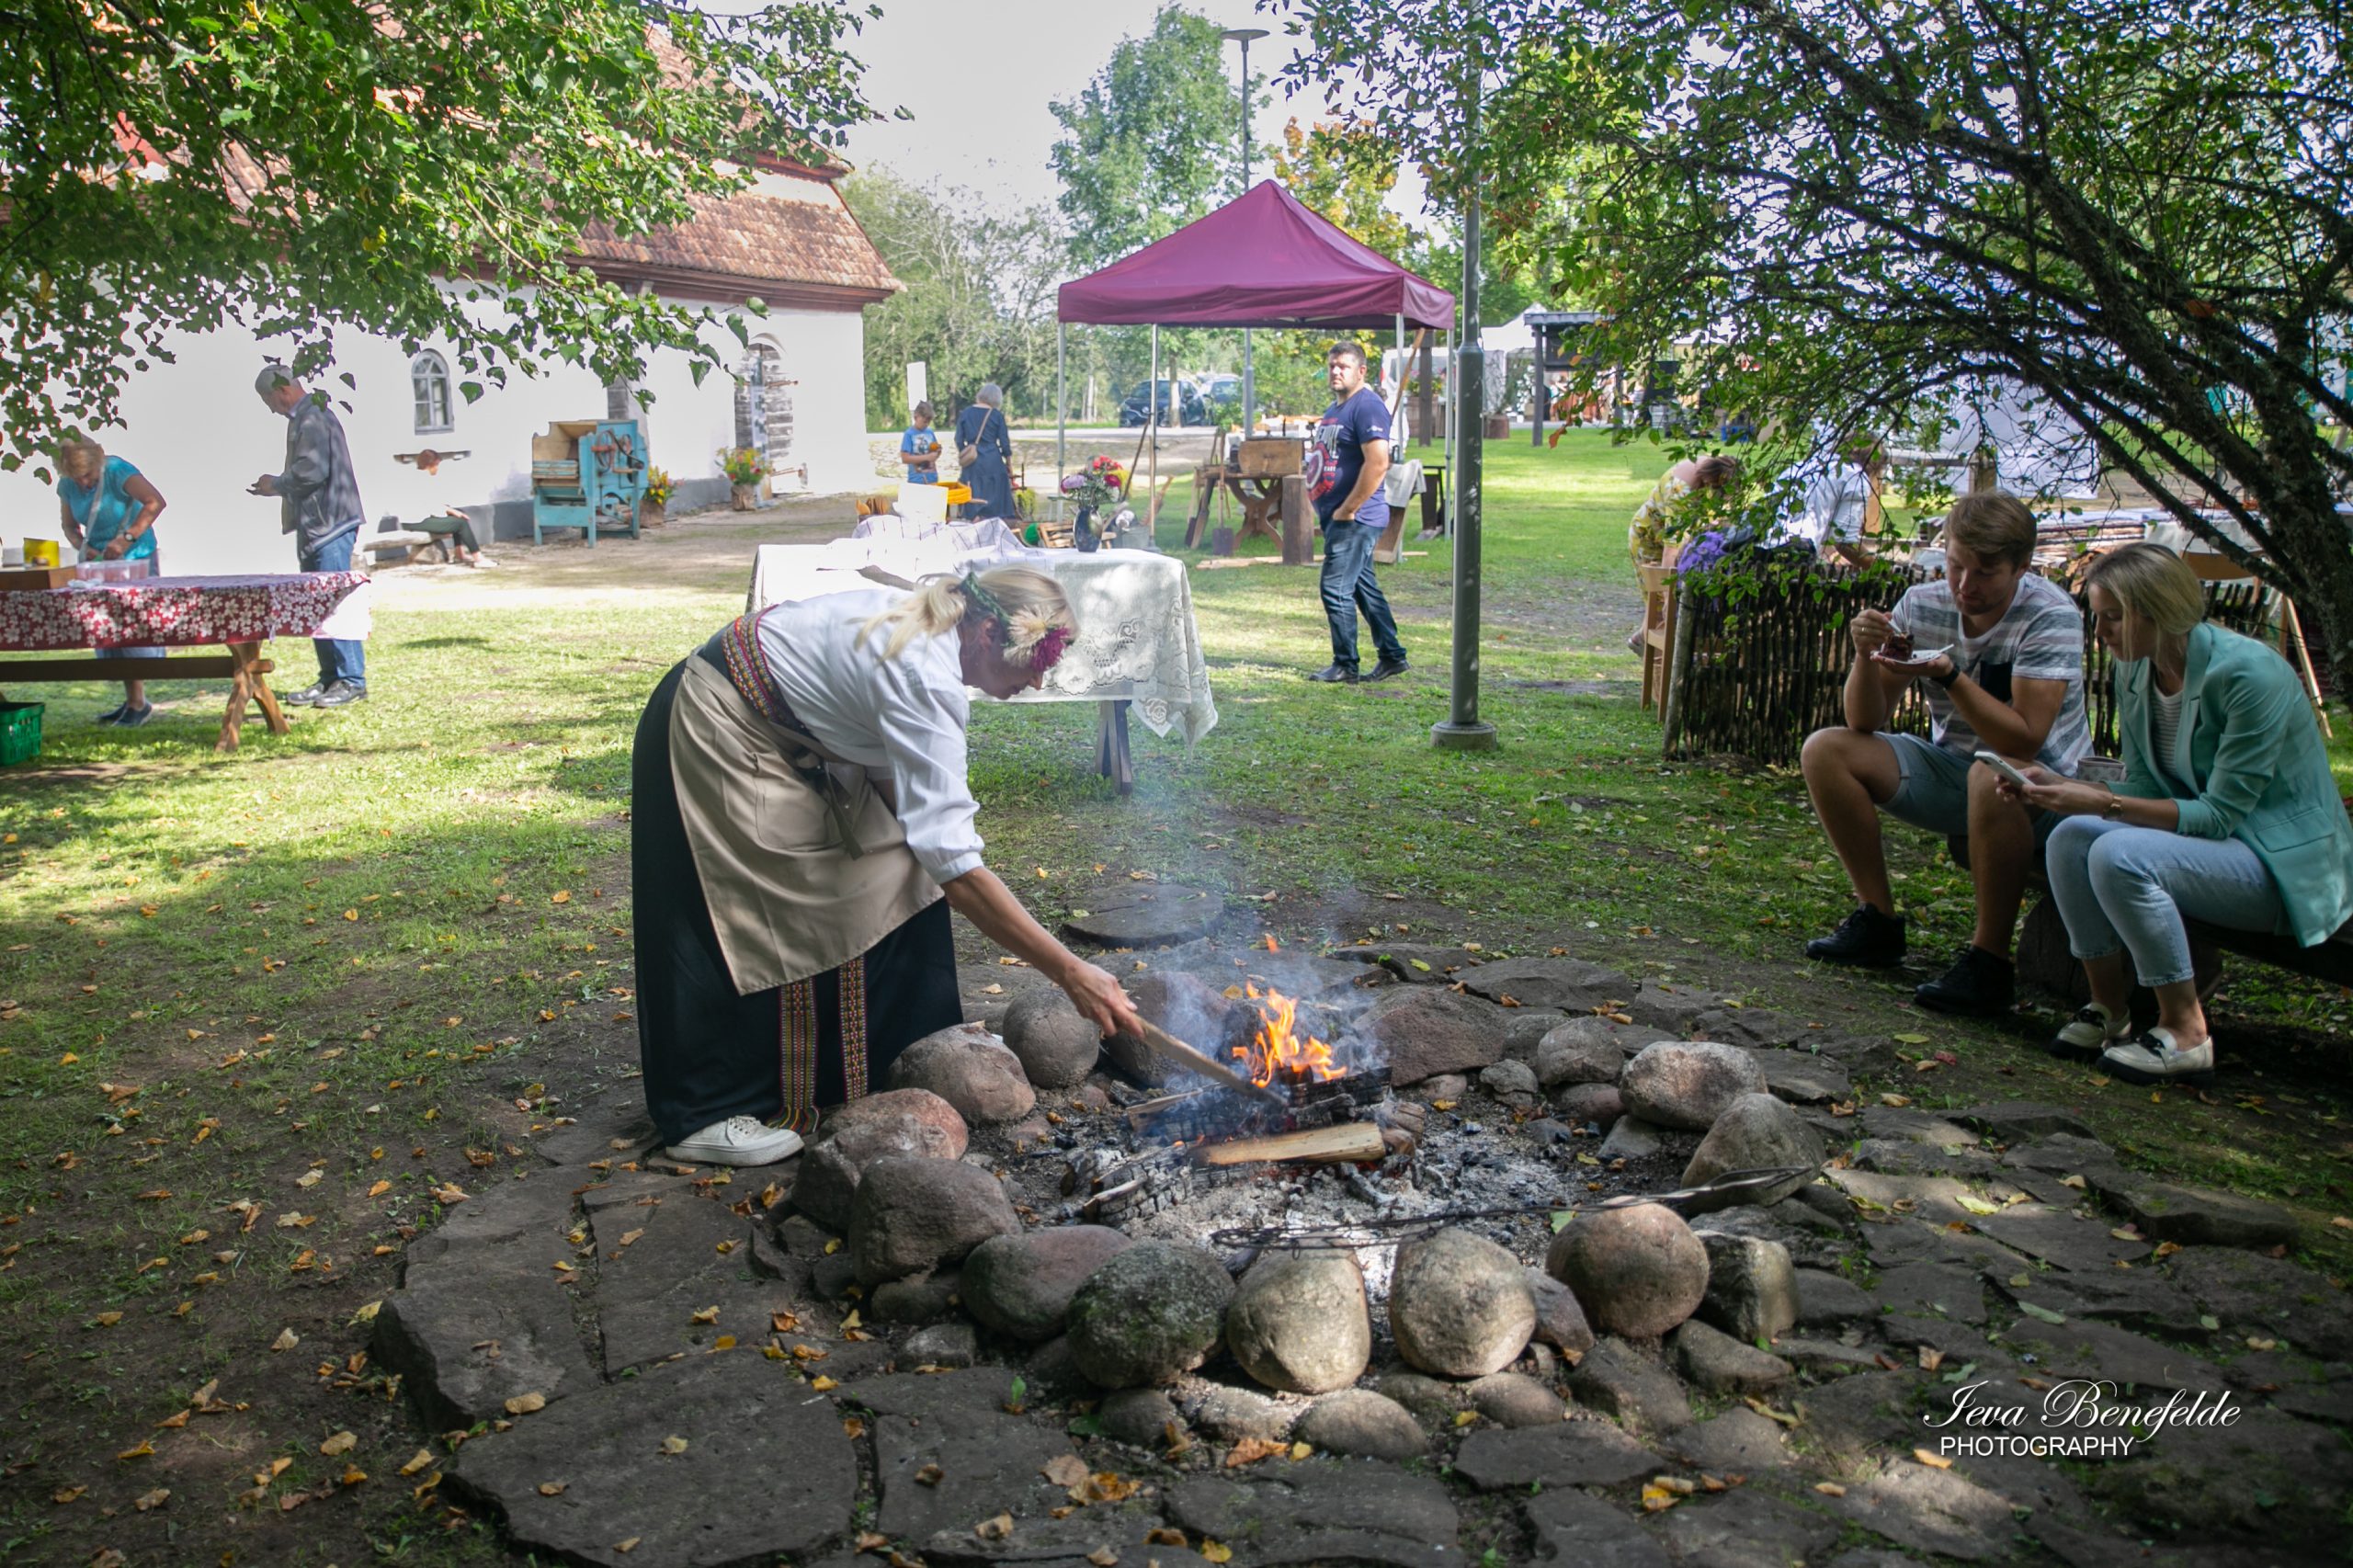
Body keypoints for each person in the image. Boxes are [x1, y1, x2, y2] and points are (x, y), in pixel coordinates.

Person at [631, 566, 1145, 1165]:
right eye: (1035, 662)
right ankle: (704, 1110)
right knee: (745, 905)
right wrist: (1070, 972)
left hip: (792, 731)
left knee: (903, 865)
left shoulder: (935, 640)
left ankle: (897, 1061)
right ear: (985, 634)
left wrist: (942, 854)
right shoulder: (924, 671)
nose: (1037, 681)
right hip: (719, 721)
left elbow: (927, 831)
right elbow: (958, 869)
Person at [2002, 544, 2353, 1085]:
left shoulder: (2249, 676)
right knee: (2071, 837)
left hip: (2281, 863)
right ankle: (2108, 1008)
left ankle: (2186, 1032)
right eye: (2099, 615)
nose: (2101, 632)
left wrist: (2101, 801)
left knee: (2120, 854)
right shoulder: (2136, 669)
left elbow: (2219, 815)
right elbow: (2145, 785)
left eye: (2113, 617)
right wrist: (2063, 787)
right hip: (2215, 847)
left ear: (2158, 613)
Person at [1801, 491, 2091, 1015]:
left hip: (2048, 790)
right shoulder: (1922, 604)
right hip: (1958, 770)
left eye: (1985, 573)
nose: (1964, 585)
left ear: (2022, 566)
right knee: (1826, 749)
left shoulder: (2050, 615)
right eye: (1956, 565)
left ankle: (1988, 962)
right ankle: (1877, 921)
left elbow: (2024, 740)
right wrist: (1865, 656)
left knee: (1991, 774)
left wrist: (1951, 677)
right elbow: (1864, 721)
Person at [250, 365, 369, 707]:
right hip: (315, 523)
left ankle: (351, 680)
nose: (270, 408)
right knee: (317, 603)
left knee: (334, 601)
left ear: (281, 390)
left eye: (268, 400)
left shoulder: (313, 416)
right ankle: (330, 677)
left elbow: (312, 472)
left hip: (330, 522)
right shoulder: (304, 417)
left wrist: (276, 484)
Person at [1306, 342, 1408, 684]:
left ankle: (1345, 664)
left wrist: (1348, 509)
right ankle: (1393, 656)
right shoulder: (1336, 408)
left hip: (1356, 519)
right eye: (1332, 365)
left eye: (1344, 366)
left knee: (1335, 588)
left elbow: (1378, 464)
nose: (1336, 371)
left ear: (1361, 371)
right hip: (1338, 516)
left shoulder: (1367, 406)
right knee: (1364, 588)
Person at [53, 439, 167, 726]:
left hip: (135, 558)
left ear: (97, 463)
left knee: (133, 626)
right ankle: (134, 700)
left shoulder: (117, 470)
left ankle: (137, 702)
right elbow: (69, 526)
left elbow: (155, 502)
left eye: (87, 475)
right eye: (76, 477)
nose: (83, 482)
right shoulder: (68, 485)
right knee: (108, 628)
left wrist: (126, 539)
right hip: (100, 565)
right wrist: (83, 546)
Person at [953, 386, 1015, 520]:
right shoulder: (996, 415)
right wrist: (1009, 464)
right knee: (996, 494)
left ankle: (975, 518)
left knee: (973, 491)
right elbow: (1004, 442)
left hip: (972, 460)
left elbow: (958, 439)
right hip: (993, 460)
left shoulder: (966, 413)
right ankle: (994, 522)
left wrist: (966, 452)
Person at [901, 402, 941, 486]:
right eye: (924, 422)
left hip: (932, 477)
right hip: (917, 480)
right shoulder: (909, 434)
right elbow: (905, 458)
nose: (926, 425)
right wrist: (927, 457)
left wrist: (937, 452)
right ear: (916, 417)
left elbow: (934, 452)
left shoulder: (930, 432)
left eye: (929, 422)